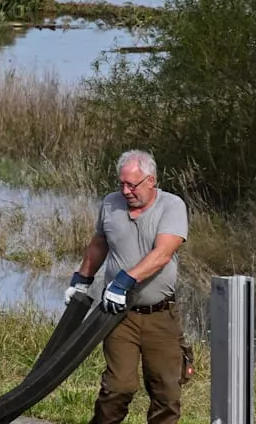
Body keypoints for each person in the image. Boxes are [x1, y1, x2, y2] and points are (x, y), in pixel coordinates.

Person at [65, 150, 189, 424]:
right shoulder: (111, 204)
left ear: (151, 181)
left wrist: (123, 281)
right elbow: (100, 243)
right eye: (122, 183)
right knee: (118, 387)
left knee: (166, 392)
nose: (126, 190)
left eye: (132, 185)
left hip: (160, 316)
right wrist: (81, 280)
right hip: (118, 315)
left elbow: (163, 254)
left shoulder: (172, 206)